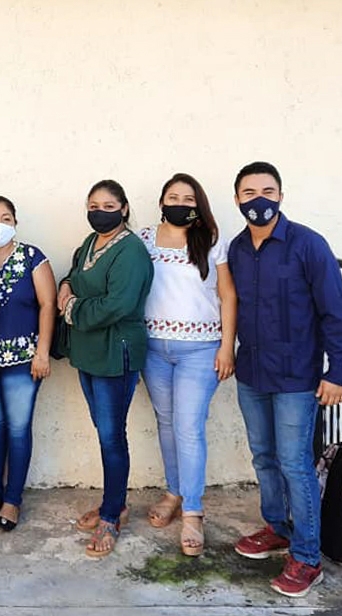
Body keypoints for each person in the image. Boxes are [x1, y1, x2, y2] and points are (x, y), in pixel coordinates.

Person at [228, 162, 342, 597]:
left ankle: (306, 557)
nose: (258, 199)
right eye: (248, 192)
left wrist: (337, 371)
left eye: (267, 190)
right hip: (252, 373)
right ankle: (277, 529)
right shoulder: (238, 250)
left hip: (297, 377)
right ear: (237, 199)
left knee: (295, 464)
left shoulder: (308, 245)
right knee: (263, 456)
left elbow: (334, 312)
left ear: (281, 195)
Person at [138, 173, 237, 557]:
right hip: (154, 348)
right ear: (161, 201)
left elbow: (228, 296)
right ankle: (174, 491)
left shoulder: (211, 240)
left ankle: (193, 510)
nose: (179, 202)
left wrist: (227, 346)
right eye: (172, 196)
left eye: (187, 197)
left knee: (188, 425)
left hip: (200, 348)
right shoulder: (142, 240)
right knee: (166, 422)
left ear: (198, 204)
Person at [58, 179, 154, 558]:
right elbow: (72, 275)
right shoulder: (89, 243)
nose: (99, 210)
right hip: (89, 351)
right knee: (104, 429)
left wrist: (70, 308)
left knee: (112, 435)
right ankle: (116, 502)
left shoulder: (130, 250)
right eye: (93, 204)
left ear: (125, 209)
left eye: (108, 205)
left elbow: (119, 304)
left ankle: (112, 515)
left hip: (116, 351)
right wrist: (67, 287)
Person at [0, 196, 57, 531]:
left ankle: (12, 500)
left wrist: (42, 352)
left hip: (23, 360)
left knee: (18, 428)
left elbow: (48, 305)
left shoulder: (32, 257)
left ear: (15, 222)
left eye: (5, 217)